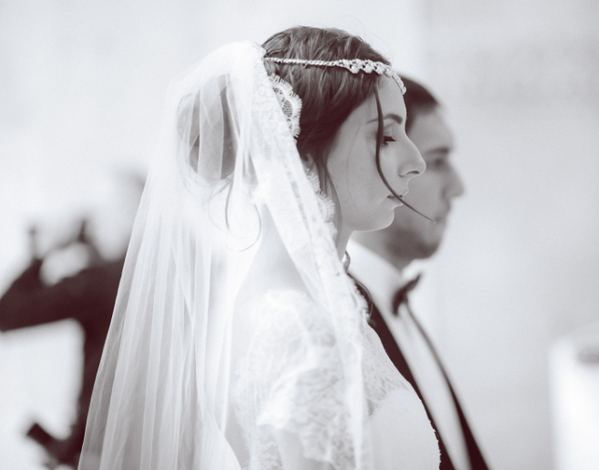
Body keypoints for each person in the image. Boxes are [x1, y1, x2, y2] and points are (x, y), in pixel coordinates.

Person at [80, 27, 442, 470]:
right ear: (298, 151)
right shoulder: (297, 327)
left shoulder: (308, 304)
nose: (416, 162)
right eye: (385, 137)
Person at [348, 78, 489, 470]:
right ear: (381, 167)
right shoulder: (340, 326)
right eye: (437, 161)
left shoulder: (396, 301)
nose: (457, 188)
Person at [0, 220, 122, 469]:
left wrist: (42, 252)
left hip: (102, 444)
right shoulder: (173, 277)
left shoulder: (102, 282)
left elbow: (7, 314)